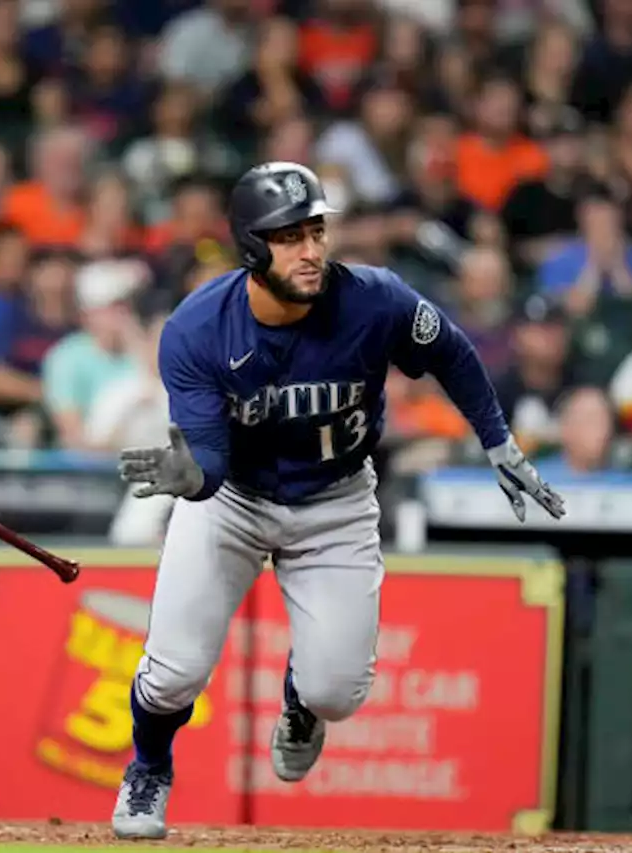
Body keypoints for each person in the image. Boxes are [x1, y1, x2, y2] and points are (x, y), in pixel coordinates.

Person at [110, 162, 567, 840]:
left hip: (336, 499)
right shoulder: (198, 329)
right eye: (289, 236)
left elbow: (451, 351)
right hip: (233, 497)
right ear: (251, 246)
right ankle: (148, 767)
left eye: (316, 230)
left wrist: (498, 442)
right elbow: (208, 468)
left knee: (336, 692)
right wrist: (190, 476)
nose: (311, 249)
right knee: (173, 672)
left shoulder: (373, 298)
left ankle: (301, 700)